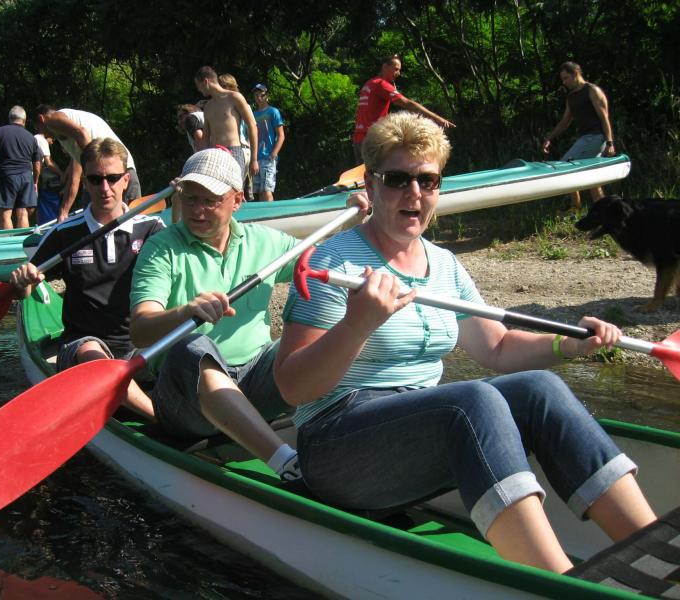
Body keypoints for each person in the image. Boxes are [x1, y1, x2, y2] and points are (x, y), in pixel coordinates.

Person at [274, 112, 656, 573]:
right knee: (470, 401)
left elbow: (496, 347)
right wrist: (357, 325)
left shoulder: (444, 265)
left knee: (541, 388)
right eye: (397, 179)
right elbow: (292, 387)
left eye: (427, 180)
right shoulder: (332, 262)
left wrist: (566, 346)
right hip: (335, 447)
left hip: (416, 430)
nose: (414, 193)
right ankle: (560, 581)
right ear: (371, 185)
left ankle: (653, 553)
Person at [129, 147, 300, 480]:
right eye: (190, 199)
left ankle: (341, 437)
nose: (198, 210)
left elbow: (323, 263)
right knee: (192, 346)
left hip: (254, 384)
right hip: (187, 403)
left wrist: (360, 220)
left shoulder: (267, 243)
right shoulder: (161, 249)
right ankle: (286, 462)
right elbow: (140, 330)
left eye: (210, 201)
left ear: (237, 201)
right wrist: (185, 312)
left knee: (311, 341)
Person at [10, 138, 163, 420]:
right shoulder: (65, 233)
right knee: (94, 357)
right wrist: (22, 283)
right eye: (95, 179)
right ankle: (159, 419)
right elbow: (25, 290)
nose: (105, 188)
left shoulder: (151, 228)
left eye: (112, 178)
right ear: (86, 183)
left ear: (126, 180)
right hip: (84, 343)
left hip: (141, 343)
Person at [34, 105, 141, 221]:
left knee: (130, 222)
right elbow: (75, 177)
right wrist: (64, 210)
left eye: (38, 128)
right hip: (119, 172)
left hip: (116, 175)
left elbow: (82, 132)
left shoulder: (53, 119)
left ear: (41, 119)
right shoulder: (73, 131)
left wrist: (96, 165)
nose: (41, 134)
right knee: (96, 218)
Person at [352, 54, 455, 165]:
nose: (398, 73)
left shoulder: (369, 83)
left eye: (399, 70)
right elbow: (408, 104)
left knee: (366, 173)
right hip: (372, 140)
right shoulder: (381, 84)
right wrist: (437, 119)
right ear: (385, 67)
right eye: (396, 69)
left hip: (359, 139)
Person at [542, 61, 616, 211]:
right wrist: (549, 138)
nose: (564, 82)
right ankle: (604, 210)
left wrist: (610, 142)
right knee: (591, 177)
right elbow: (564, 122)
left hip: (596, 137)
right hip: (584, 138)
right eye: (562, 79)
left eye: (566, 78)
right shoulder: (571, 97)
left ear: (575, 74)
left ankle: (575, 206)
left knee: (565, 166)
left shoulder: (592, 90)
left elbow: (604, 117)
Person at [194, 66, 258, 181]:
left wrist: (254, 159)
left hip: (233, 152)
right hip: (214, 154)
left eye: (198, 85)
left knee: (234, 189)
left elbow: (252, 126)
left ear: (206, 81)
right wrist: (200, 160)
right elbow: (205, 138)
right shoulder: (208, 107)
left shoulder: (234, 97)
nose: (198, 89)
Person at [0, 105, 41, 230]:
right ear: (24, 121)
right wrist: (35, 181)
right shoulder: (31, 137)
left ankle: (7, 240)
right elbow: (37, 164)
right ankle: (21, 241)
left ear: (10, 118)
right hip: (26, 176)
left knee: (5, 214)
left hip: (6, 175)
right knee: (23, 212)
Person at [218, 73, 254, 201]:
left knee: (236, 187)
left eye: (223, 86)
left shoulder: (239, 103)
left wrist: (253, 156)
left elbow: (252, 128)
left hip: (241, 148)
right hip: (233, 149)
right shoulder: (221, 104)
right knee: (233, 186)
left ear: (230, 86)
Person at [251, 83, 285, 201]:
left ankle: (273, 212)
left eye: (262, 94)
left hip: (268, 157)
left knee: (267, 190)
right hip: (255, 158)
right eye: (256, 95)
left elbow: (281, 135)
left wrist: (273, 153)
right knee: (260, 192)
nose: (259, 97)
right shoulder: (253, 114)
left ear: (267, 95)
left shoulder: (273, 111)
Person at [34, 132, 64, 224]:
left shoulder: (35, 138)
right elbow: (49, 163)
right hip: (32, 175)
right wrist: (62, 174)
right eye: (53, 139)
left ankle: (39, 224)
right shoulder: (42, 140)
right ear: (48, 135)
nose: (52, 142)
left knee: (35, 204)